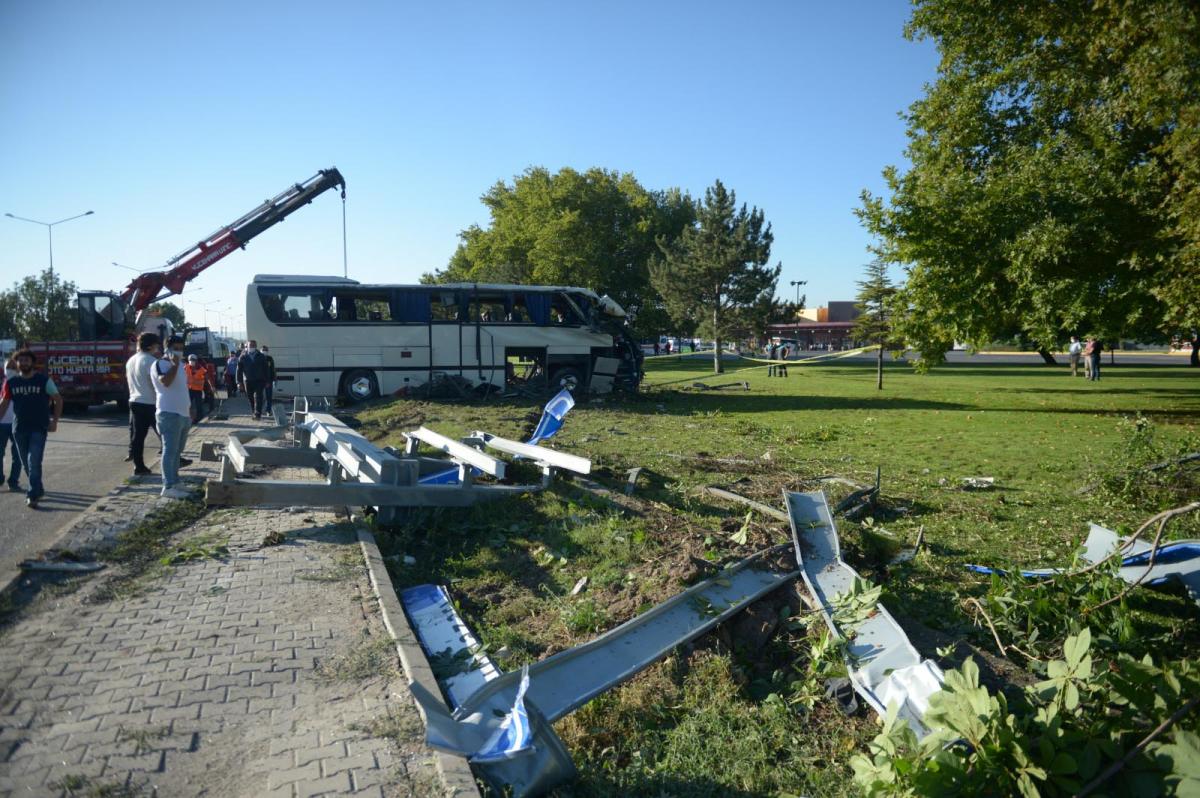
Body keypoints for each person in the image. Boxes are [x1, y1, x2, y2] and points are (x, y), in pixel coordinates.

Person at [0, 349, 64, 508]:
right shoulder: (11, 383)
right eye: (21, 360)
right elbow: (4, 404)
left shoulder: (43, 381)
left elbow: (58, 399)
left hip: (39, 428)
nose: (24, 363)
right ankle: (38, 487)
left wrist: (54, 421)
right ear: (17, 363)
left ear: (32, 362)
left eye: (27, 360)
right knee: (27, 463)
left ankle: (32, 494)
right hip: (19, 429)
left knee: (33, 460)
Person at [153, 337, 193, 498]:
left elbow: (182, 389)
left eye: (181, 348)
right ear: (167, 349)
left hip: (183, 413)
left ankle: (175, 482)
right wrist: (175, 364)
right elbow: (166, 382)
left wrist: (190, 408)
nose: (179, 351)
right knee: (169, 451)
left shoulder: (181, 365)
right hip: (168, 413)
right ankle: (168, 486)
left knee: (178, 451)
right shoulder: (160, 364)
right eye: (175, 348)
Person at [125, 333, 161, 476]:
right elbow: (157, 383)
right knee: (164, 433)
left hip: (135, 400)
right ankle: (174, 459)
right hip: (151, 402)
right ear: (151, 345)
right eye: (157, 345)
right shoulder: (151, 361)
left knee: (138, 437)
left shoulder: (131, 360)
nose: (158, 348)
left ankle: (138, 466)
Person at [0, 353, 23, 491]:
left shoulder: (15, 382)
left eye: (11, 367)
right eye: (9, 367)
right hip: (8, 423)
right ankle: (7, 479)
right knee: (10, 454)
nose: (10, 369)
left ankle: (8, 480)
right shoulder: (7, 381)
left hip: (10, 422)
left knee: (14, 454)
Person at [236, 339, 270, 419]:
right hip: (247, 381)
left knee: (258, 396)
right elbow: (239, 370)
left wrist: (268, 380)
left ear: (256, 346)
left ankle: (258, 413)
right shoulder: (242, 357)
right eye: (250, 345)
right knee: (250, 397)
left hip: (259, 380)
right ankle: (254, 411)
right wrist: (239, 382)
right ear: (247, 346)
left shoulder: (261, 356)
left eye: (254, 345)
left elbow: (266, 369)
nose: (252, 347)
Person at [185, 354, 208, 422]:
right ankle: (188, 418)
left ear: (196, 361)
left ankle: (199, 418)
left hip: (198, 390)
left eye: (193, 360)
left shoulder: (201, 369)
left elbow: (207, 377)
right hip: (189, 389)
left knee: (198, 405)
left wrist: (211, 386)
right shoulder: (186, 367)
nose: (192, 362)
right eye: (190, 360)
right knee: (187, 404)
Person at [261, 346, 276, 415]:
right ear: (260, 350)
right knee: (259, 396)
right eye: (263, 350)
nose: (265, 351)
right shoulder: (258, 358)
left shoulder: (270, 358)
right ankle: (259, 410)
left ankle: (268, 410)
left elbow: (273, 369)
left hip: (268, 381)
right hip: (259, 381)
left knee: (269, 397)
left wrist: (274, 379)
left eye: (266, 350)